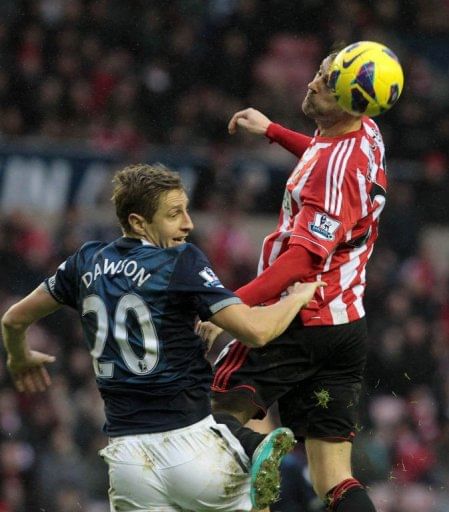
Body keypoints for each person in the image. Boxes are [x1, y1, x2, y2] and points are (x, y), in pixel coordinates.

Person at [1, 163, 324, 512]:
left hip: (127, 463)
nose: (188, 223)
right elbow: (257, 331)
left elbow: (13, 319)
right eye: (174, 214)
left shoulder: (85, 261)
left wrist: (19, 357)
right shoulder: (178, 261)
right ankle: (252, 449)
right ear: (139, 222)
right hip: (193, 448)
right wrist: (297, 298)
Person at [205, 51, 388, 512]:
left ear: (348, 101)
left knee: (217, 420)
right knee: (334, 479)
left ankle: (265, 468)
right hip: (346, 327)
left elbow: (299, 263)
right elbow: (324, 155)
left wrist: (226, 307)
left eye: (325, 82)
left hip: (298, 316)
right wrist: (272, 131)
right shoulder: (366, 130)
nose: (310, 83)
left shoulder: (333, 172)